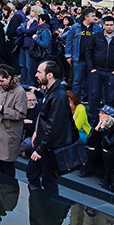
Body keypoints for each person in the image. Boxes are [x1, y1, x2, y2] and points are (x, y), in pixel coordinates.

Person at [28, 60, 75, 195]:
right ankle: (39, 207)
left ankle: (49, 211)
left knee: (49, 182)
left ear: (49, 75)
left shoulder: (58, 96)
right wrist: (37, 132)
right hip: (44, 145)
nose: (36, 75)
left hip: (49, 149)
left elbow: (53, 127)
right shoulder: (51, 91)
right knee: (32, 174)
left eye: (39, 72)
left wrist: (40, 150)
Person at [85, 15, 114, 121]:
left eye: (111, 25)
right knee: (94, 96)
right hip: (97, 70)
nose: (109, 27)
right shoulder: (96, 36)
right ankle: (95, 118)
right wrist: (91, 68)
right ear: (103, 26)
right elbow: (89, 52)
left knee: (110, 97)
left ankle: (109, 119)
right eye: (107, 25)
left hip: (112, 71)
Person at [0, 65, 27, 177]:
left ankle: (9, 192)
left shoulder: (20, 92)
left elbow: (21, 114)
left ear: (9, 78)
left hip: (9, 134)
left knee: (8, 166)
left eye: (1, 80)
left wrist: (3, 110)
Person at [79, 105, 114, 190]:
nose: (100, 115)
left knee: (106, 151)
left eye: (103, 113)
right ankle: (89, 169)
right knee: (90, 148)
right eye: (100, 113)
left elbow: (108, 144)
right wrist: (96, 129)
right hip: (100, 148)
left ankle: (106, 178)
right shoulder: (97, 123)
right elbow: (90, 140)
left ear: (109, 117)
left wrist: (103, 130)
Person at [64, 7, 101, 100]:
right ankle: (76, 100)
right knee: (76, 81)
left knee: (91, 81)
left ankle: (88, 99)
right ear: (86, 17)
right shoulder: (76, 27)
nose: (95, 18)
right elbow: (69, 40)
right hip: (78, 58)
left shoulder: (97, 28)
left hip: (92, 59)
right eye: (92, 16)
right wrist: (68, 55)